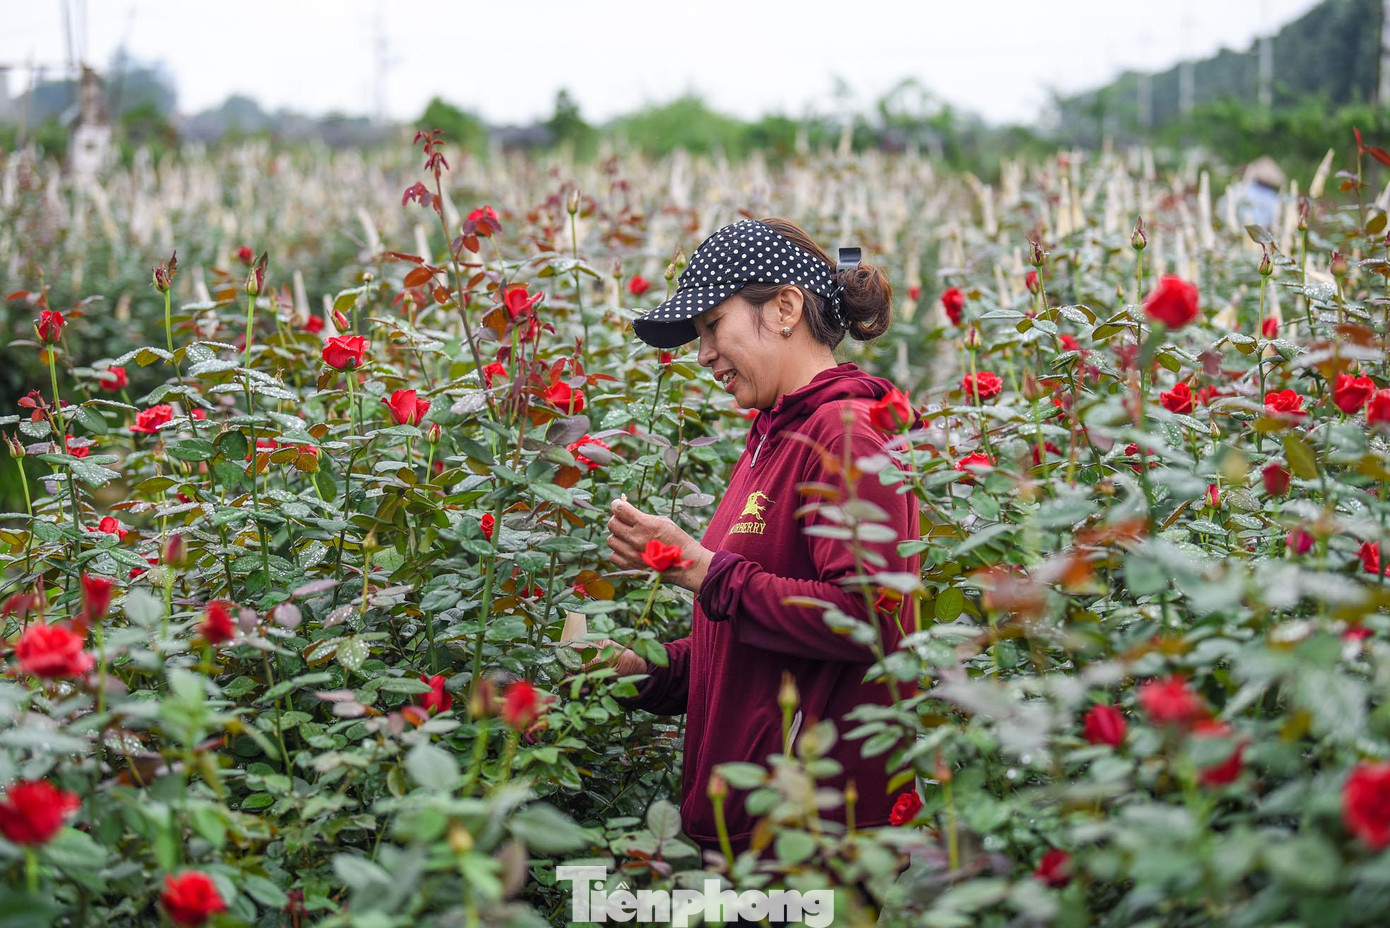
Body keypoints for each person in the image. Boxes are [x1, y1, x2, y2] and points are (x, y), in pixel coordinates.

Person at [592, 217, 924, 917]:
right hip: (756, 841)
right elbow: (748, 641)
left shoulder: (843, 436)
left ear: (783, 308)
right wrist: (642, 670)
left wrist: (702, 569)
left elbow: (869, 620)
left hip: (816, 843)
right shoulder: (772, 439)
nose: (705, 352)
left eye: (714, 325)